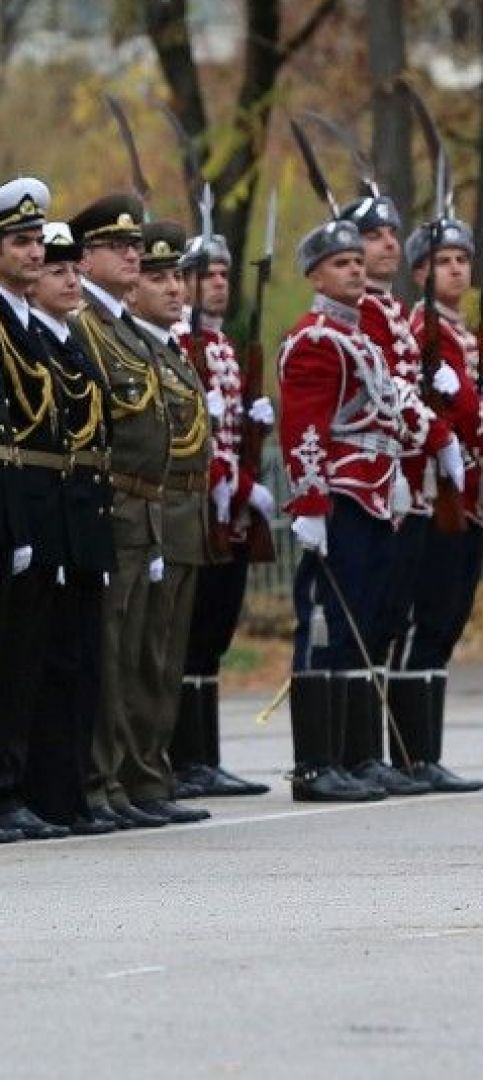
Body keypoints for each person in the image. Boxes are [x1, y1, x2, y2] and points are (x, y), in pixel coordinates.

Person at [278, 218, 411, 803]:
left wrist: (398, 475)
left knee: (364, 623)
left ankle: (356, 754)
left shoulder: (361, 339)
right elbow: (304, 430)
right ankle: (315, 763)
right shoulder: (315, 340)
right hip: (339, 495)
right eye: (341, 263)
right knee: (325, 625)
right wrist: (310, 502)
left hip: (375, 492)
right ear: (314, 275)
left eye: (359, 261)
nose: (356, 269)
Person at [71, 195, 193, 830]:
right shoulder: (85, 323)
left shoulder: (122, 330)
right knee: (113, 654)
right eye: (118, 247)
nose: (133, 254)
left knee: (145, 655)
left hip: (148, 510)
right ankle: (103, 780)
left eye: (134, 246)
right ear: (86, 257)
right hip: (113, 504)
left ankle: (134, 778)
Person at [387, 214, 483, 792]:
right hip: (438, 491)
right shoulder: (423, 330)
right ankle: (413, 753)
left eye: (463, 259)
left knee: (448, 621)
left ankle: (426, 751)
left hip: (469, 494)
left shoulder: (463, 335)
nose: (457, 268)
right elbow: (449, 410)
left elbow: (478, 408)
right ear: (420, 273)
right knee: (430, 617)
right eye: (444, 261)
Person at [342, 191, 459, 799]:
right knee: (370, 620)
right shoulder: (363, 312)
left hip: (405, 482)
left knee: (391, 617)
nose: (388, 241)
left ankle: (391, 752)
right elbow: (385, 394)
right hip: (378, 481)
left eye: (391, 232)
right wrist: (437, 432)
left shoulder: (388, 309)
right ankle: (362, 752)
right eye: (375, 234)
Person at [22, 217, 119, 835]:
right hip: (47, 514)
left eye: (70, 267)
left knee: (82, 663)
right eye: (54, 268)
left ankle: (72, 792)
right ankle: (41, 791)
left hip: (84, 518)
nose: (67, 278)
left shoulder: (73, 342)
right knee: (43, 663)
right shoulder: (32, 340)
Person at [171, 231, 276, 798]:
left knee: (214, 636)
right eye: (206, 274)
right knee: (192, 635)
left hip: (230, 515)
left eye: (222, 274)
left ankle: (206, 756)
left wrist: (257, 423)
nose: (217, 283)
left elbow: (233, 438)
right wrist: (234, 488)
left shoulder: (226, 348)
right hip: (204, 510)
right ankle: (186, 757)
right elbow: (195, 444)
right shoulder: (180, 343)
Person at [119, 220, 216, 825]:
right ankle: (135, 774)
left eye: (178, 275)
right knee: (140, 655)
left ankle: (153, 769)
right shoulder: (136, 347)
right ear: (132, 289)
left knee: (166, 654)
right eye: (159, 278)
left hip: (184, 513)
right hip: (153, 509)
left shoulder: (170, 348)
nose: (176, 288)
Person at [0, 176, 73, 840]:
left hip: (36, 507)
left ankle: (13, 788)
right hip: (7, 507)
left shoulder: (27, 324)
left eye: (35, 242)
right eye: (20, 242)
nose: (33, 253)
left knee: (25, 659)